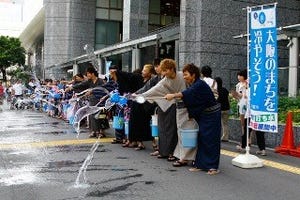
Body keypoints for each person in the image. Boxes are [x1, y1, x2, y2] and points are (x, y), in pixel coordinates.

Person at [165, 63, 221, 175]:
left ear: (193, 75)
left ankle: (213, 167)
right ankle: (200, 164)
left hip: (212, 115)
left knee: (211, 140)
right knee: (201, 139)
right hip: (204, 116)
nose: (184, 77)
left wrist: (173, 95)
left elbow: (187, 94)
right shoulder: (194, 84)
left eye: (186, 74)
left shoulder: (199, 84)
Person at [141, 59, 196, 166]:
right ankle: (183, 157)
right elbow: (154, 90)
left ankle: (187, 157)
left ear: (171, 69)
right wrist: (142, 95)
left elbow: (191, 90)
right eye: (163, 71)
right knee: (182, 133)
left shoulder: (182, 76)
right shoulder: (165, 80)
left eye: (165, 70)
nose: (163, 73)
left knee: (188, 133)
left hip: (190, 108)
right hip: (180, 108)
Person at [65, 65, 105, 138]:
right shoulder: (89, 81)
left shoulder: (100, 81)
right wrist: (71, 87)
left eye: (88, 74)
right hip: (92, 101)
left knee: (98, 117)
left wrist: (92, 91)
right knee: (91, 116)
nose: (87, 75)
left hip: (99, 101)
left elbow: (103, 90)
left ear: (92, 73)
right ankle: (94, 131)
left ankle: (100, 131)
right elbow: (81, 85)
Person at [126, 64, 156, 150]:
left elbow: (147, 92)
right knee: (138, 124)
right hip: (138, 104)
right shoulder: (141, 80)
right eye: (143, 70)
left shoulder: (152, 81)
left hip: (146, 105)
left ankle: (153, 142)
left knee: (146, 125)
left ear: (150, 73)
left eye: (145, 71)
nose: (142, 72)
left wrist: (136, 94)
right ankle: (140, 142)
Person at [231, 69, 248, 151]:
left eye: (240, 75)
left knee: (247, 123)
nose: (238, 77)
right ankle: (244, 138)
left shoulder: (248, 83)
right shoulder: (238, 85)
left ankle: (248, 140)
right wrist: (235, 96)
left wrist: (239, 95)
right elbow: (238, 97)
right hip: (241, 105)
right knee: (243, 123)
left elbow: (245, 95)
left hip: (248, 104)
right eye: (238, 75)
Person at [215, 77, 230, 142]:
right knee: (225, 124)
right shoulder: (225, 90)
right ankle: (225, 137)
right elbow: (228, 99)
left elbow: (216, 100)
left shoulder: (216, 90)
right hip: (226, 109)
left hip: (218, 109)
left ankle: (216, 136)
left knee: (217, 124)